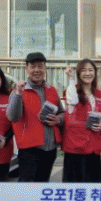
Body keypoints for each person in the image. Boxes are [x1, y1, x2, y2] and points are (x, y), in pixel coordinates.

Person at [7, 52, 64, 182]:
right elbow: (13, 117)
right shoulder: (18, 91)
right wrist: (19, 93)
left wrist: (58, 119)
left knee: (43, 184)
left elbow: (62, 112)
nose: (37, 70)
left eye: (40, 66)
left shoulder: (52, 90)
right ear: (26, 69)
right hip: (29, 150)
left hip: (50, 150)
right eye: (33, 66)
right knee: (27, 187)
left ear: (45, 68)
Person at [61, 59, 101, 182]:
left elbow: (100, 114)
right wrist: (71, 78)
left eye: (90, 70)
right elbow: (72, 101)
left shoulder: (99, 94)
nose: (87, 73)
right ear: (79, 74)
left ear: (95, 73)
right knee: (75, 187)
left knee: (94, 187)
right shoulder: (72, 90)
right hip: (75, 147)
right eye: (84, 70)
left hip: (93, 146)